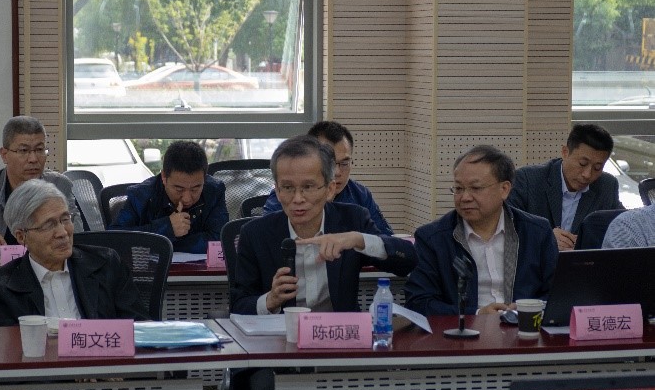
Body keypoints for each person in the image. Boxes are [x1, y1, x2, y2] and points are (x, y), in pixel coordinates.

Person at [226, 135, 416, 390]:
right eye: (287, 188)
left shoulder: (352, 219)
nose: (297, 199)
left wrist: (358, 240)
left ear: (329, 188)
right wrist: (269, 300)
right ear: (276, 190)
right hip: (277, 350)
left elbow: (408, 261)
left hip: (341, 343)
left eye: (309, 187)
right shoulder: (256, 233)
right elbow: (238, 306)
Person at [404, 145, 558, 317]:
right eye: (459, 188)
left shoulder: (537, 232)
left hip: (524, 328)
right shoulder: (432, 238)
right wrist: (476, 314)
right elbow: (418, 303)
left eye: (476, 188)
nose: (465, 197)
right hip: (463, 332)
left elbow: (558, 295)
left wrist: (528, 309)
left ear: (504, 189)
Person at [0, 179, 148, 326]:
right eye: (48, 225)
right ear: (21, 236)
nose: (63, 232)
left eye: (65, 219)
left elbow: (139, 327)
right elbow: (7, 350)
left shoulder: (106, 264)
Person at [0, 116, 81, 255]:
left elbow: (79, 236)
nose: (33, 159)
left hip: (48, 265)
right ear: (4, 155)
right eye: (24, 151)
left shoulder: (59, 185)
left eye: (39, 149)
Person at [263, 121, 394, 235]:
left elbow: (386, 240)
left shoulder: (360, 195)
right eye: (330, 163)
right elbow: (268, 238)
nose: (337, 172)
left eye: (344, 163)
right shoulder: (287, 196)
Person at [507, 123, 623, 251]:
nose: (587, 174)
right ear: (565, 152)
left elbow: (623, 225)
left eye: (597, 168)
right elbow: (505, 227)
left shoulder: (607, 186)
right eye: (582, 164)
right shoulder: (527, 180)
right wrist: (544, 238)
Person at [110, 140, 229, 254]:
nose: (187, 198)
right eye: (179, 189)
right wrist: (166, 228)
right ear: (164, 177)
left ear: (204, 178)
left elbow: (219, 238)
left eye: (195, 189)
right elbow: (114, 239)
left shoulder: (214, 190)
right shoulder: (141, 195)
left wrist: (165, 242)